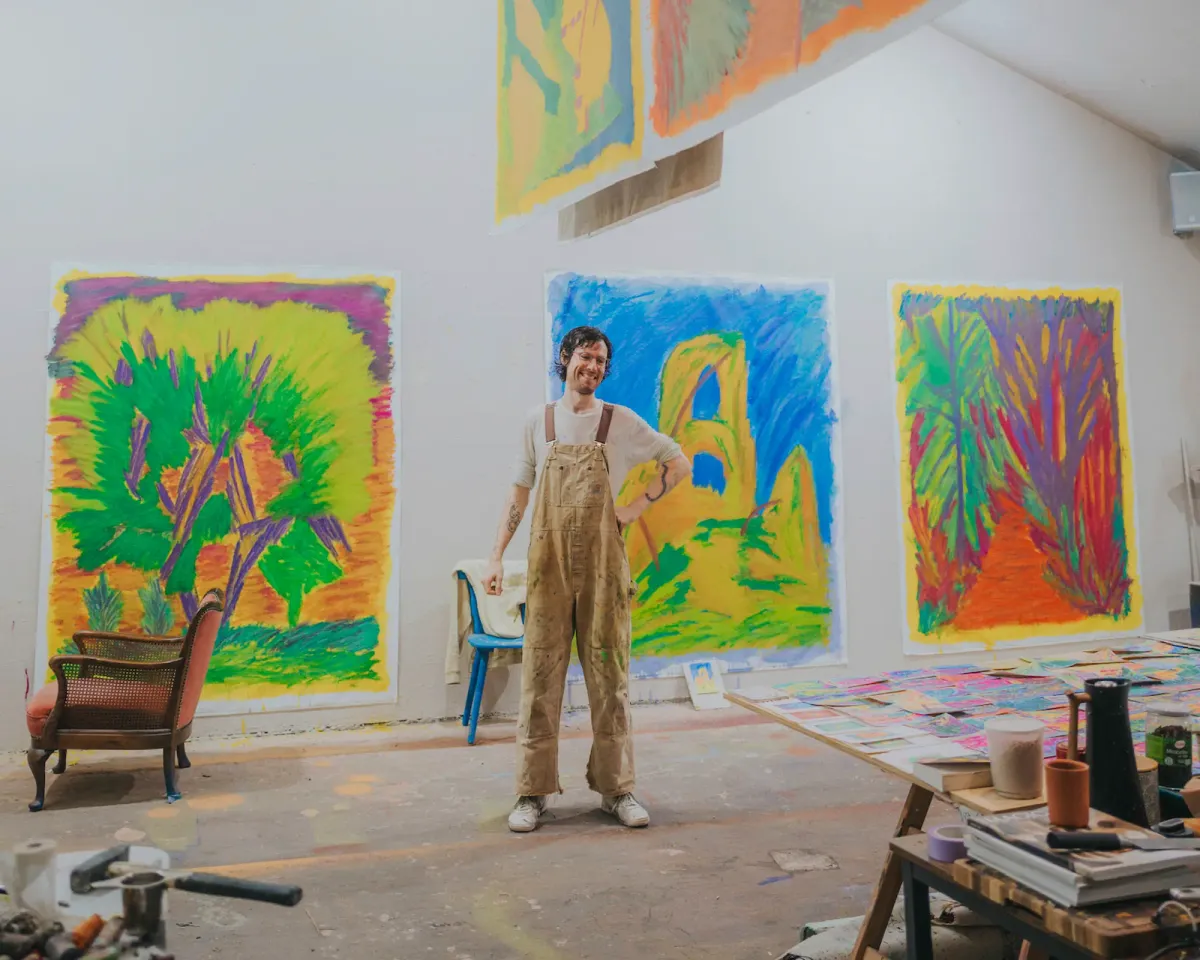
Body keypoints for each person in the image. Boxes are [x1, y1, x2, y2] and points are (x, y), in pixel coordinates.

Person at [483, 325, 691, 833]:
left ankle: (617, 789)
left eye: (600, 361)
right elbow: (519, 494)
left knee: (609, 677)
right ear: (565, 358)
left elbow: (678, 461)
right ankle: (531, 793)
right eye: (584, 357)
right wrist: (495, 556)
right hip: (548, 565)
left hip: (603, 567)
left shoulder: (619, 421)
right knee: (539, 678)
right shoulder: (539, 422)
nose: (592, 367)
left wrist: (634, 508)